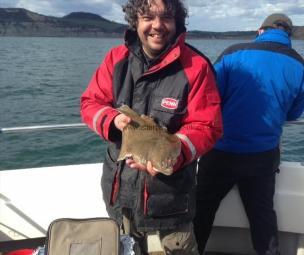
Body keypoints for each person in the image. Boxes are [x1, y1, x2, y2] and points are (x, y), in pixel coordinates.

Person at [80, 0, 223, 254]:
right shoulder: (116, 59)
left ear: (177, 21)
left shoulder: (197, 66)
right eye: (148, 17)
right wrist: (112, 120)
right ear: (135, 21)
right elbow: (90, 102)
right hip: (119, 199)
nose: (157, 25)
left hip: (172, 206)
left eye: (166, 17)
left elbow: (207, 126)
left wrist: (176, 153)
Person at [193, 13, 304, 255]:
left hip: (221, 151)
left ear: (260, 30)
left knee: (201, 210)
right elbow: (295, 113)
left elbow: (209, 96)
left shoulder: (232, 53)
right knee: (262, 217)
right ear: (288, 34)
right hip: (263, 156)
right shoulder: (298, 63)